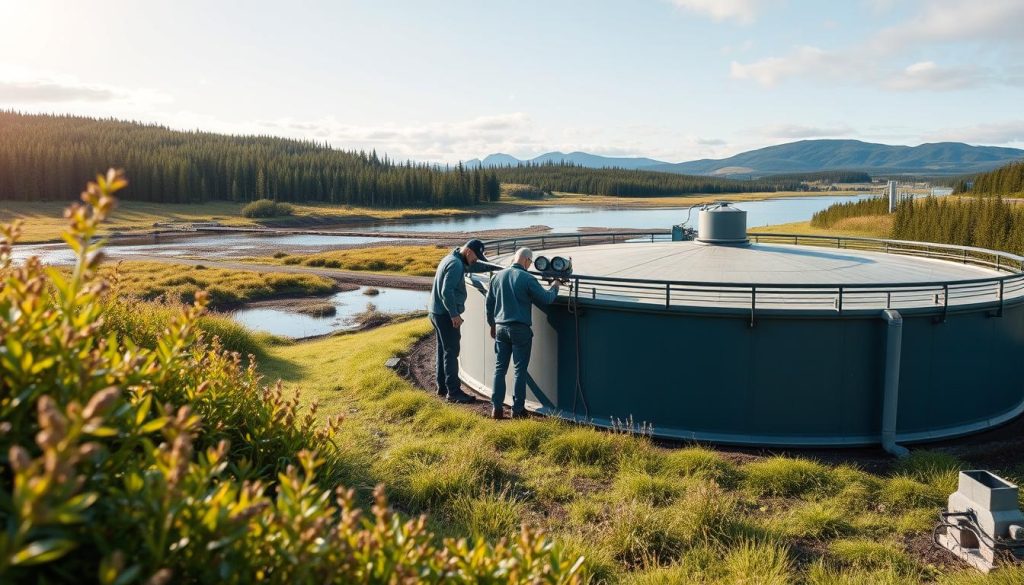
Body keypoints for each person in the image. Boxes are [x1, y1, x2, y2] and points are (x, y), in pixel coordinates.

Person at [485, 247, 560, 419]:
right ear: (526, 260)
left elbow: (489, 305)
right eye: (531, 262)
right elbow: (547, 299)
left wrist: (492, 325)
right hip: (520, 330)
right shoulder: (527, 278)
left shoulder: (497, 277)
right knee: (519, 371)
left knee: (499, 369)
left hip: (501, 328)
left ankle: (496, 408)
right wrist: (555, 285)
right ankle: (517, 410)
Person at [429, 238, 498, 403]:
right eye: (476, 256)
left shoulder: (452, 258)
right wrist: (454, 315)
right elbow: (446, 292)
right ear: (468, 251)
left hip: (436, 312)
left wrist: (495, 267)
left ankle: (443, 387)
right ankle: (454, 392)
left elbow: (475, 266)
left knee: (443, 350)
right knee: (452, 352)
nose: (476, 260)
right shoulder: (456, 265)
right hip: (446, 315)